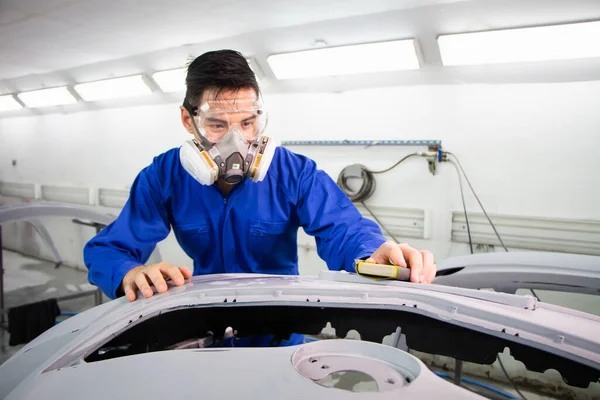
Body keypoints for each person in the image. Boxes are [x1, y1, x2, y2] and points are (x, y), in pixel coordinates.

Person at [83, 49, 437, 303]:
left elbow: (343, 229)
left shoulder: (295, 173)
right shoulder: (164, 176)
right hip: (202, 317)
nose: (238, 140)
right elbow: (107, 249)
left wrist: (373, 252)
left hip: (279, 323)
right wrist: (128, 272)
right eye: (218, 124)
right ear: (188, 120)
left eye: (248, 123)